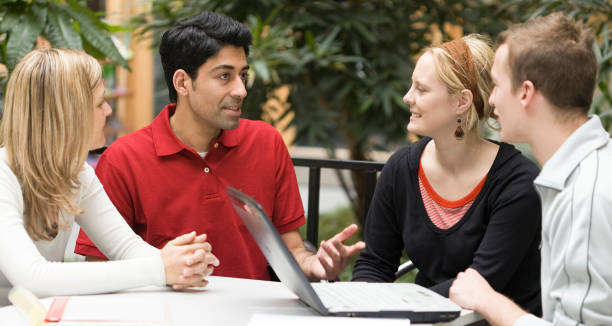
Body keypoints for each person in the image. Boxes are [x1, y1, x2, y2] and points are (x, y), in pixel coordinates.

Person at [75, 12, 364, 282]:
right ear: (183, 82)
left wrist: (314, 265)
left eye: (243, 75)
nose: (241, 90)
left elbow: (293, 251)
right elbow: (100, 270)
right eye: (224, 76)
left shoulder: (267, 142)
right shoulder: (124, 158)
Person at [0, 48, 217, 306]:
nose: (108, 111)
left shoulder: (76, 174)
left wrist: (184, 262)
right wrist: (161, 268)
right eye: (100, 103)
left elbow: (127, 248)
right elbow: (34, 278)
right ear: (70, 114)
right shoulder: (4, 175)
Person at [352, 34, 542, 314]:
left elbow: (483, 283)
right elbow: (375, 264)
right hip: (419, 316)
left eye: (421, 89)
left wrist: (398, 306)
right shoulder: (401, 168)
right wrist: (355, 310)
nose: (407, 97)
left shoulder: (517, 182)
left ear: (461, 102)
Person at [449, 13, 612, 325]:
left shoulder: (586, 196)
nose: (491, 100)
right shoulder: (584, 174)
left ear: (526, 92)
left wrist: (488, 300)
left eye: (496, 85)